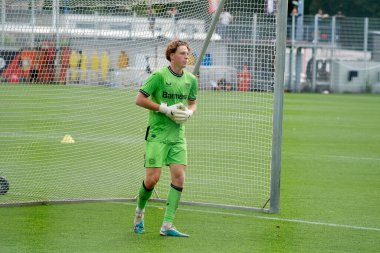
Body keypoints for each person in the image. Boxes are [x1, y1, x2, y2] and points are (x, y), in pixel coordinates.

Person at [133, 39, 198, 237]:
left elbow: (193, 102)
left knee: (179, 177)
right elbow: (139, 99)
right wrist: (164, 109)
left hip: (177, 136)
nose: (186, 56)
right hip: (157, 134)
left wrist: (189, 112)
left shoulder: (191, 80)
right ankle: (139, 212)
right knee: (152, 179)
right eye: (182, 53)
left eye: (187, 53)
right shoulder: (159, 76)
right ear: (171, 55)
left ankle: (167, 225)